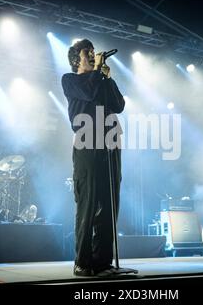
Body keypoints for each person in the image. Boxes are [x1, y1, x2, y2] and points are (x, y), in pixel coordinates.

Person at [61, 39, 125, 276]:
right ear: (76, 59)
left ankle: (102, 262)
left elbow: (118, 105)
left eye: (92, 51)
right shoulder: (70, 80)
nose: (92, 54)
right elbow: (87, 92)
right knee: (88, 203)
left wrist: (108, 78)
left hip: (110, 144)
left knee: (109, 204)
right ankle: (83, 262)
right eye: (86, 52)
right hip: (87, 144)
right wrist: (97, 72)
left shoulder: (100, 80)